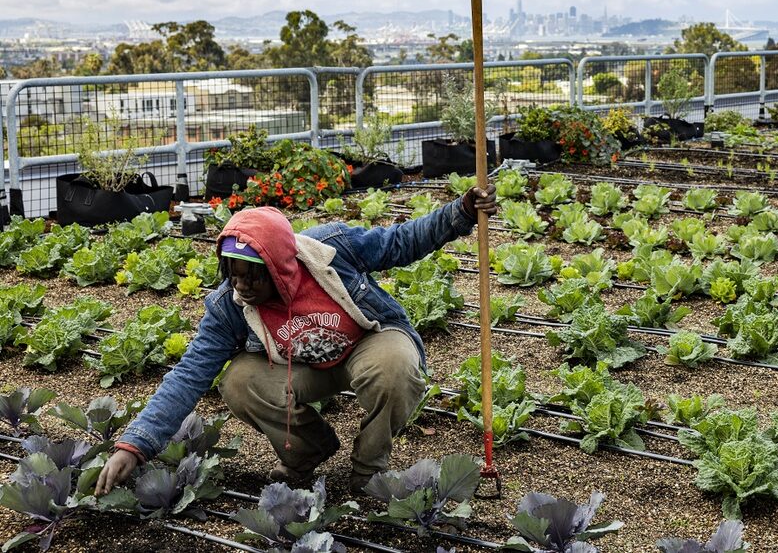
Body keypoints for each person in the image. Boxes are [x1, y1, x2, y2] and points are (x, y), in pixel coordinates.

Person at [95, 186, 497, 497]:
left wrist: (459, 213)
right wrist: (134, 445)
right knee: (237, 381)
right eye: (232, 273)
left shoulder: (330, 249)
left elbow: (402, 241)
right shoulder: (229, 305)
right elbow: (187, 377)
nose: (242, 285)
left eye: (253, 275)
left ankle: (369, 470)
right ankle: (306, 450)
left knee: (396, 367)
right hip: (302, 368)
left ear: (279, 265)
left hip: (363, 348)